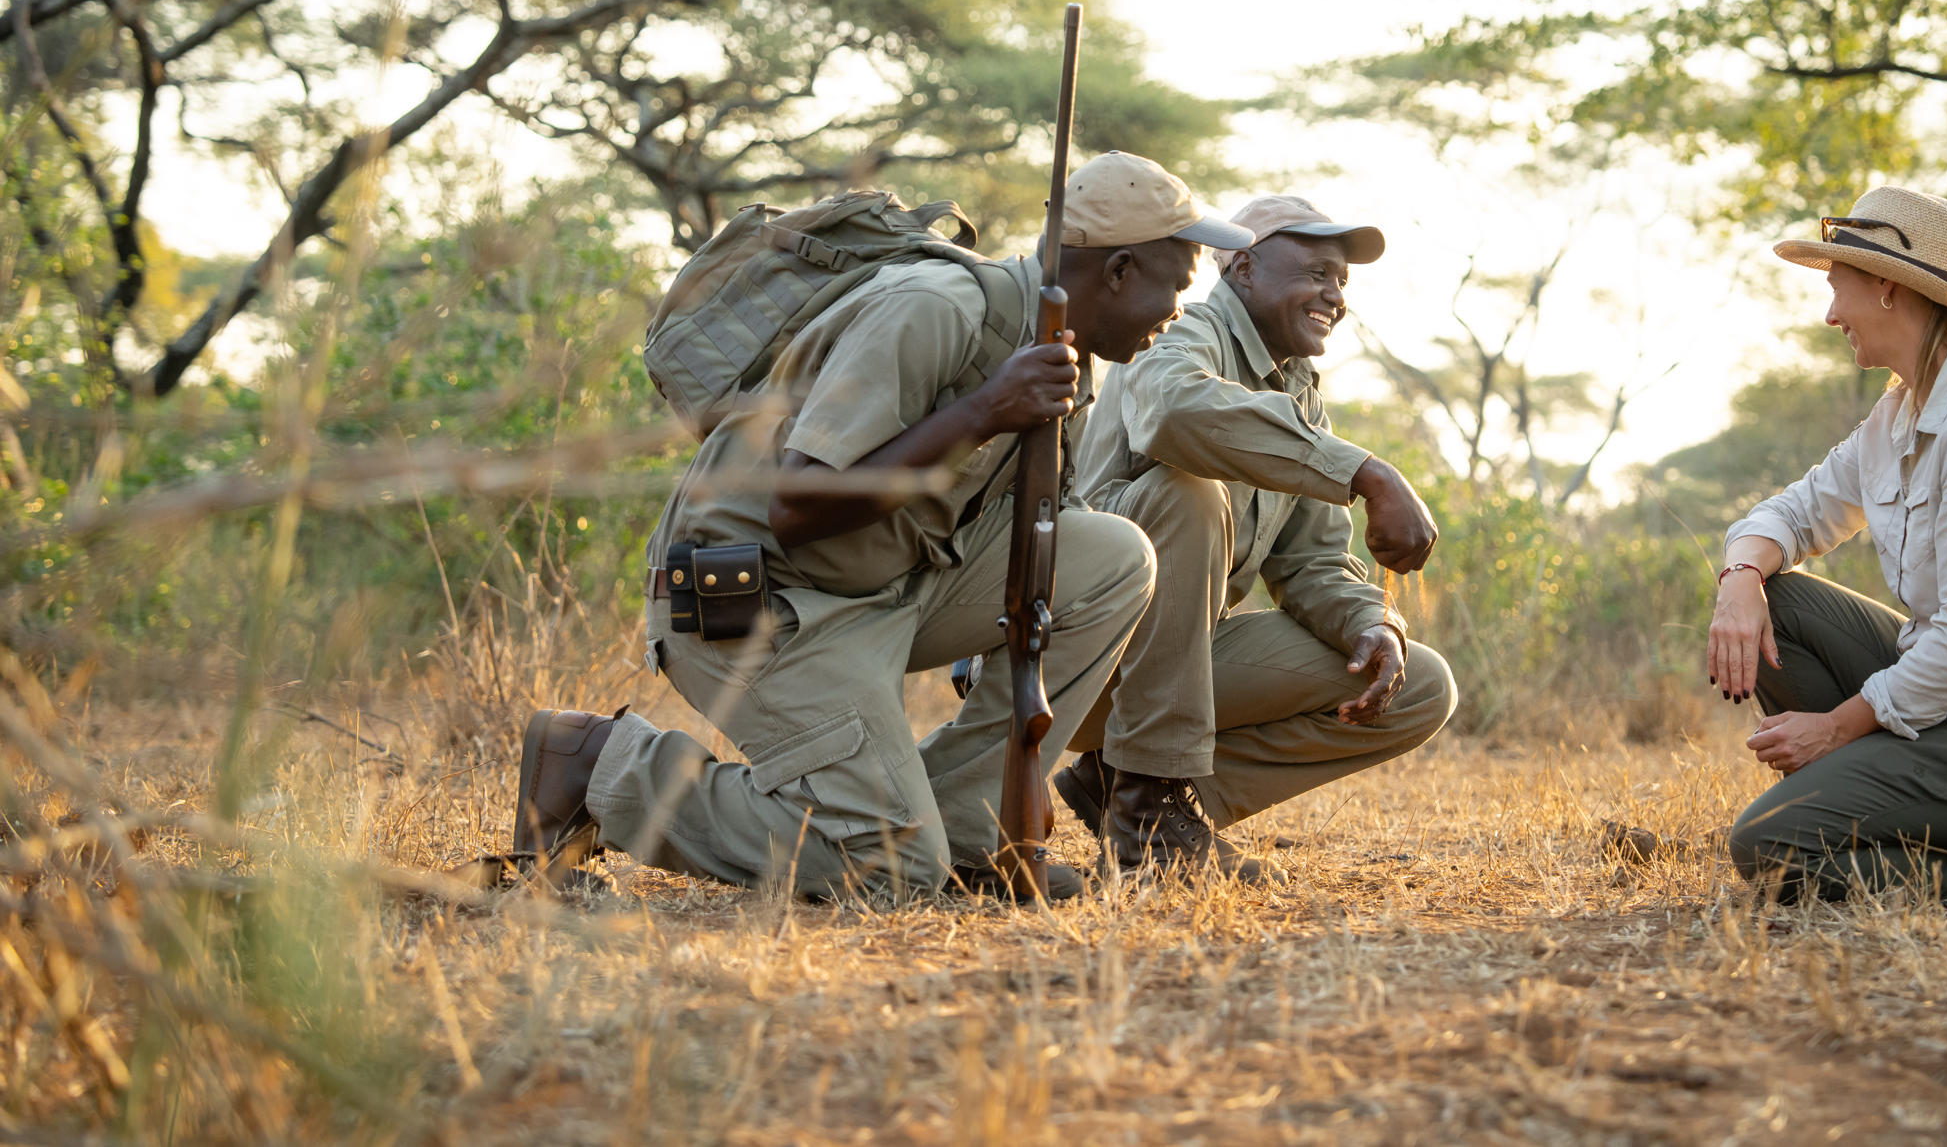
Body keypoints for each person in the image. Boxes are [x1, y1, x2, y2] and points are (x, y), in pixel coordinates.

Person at [509, 151, 1254, 901]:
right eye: (1179, 285)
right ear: (1120, 271)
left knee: (1115, 556)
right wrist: (987, 409)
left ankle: (968, 834)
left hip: (881, 584)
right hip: (748, 596)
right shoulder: (935, 306)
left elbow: (1029, 523)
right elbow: (799, 507)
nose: (1179, 312)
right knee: (889, 869)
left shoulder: (1061, 352)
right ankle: (602, 767)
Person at [1056, 194, 1458, 883]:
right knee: (1188, 490)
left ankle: (1137, 795)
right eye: (1317, 273)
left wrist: (1373, 623)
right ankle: (1146, 812)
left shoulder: (1299, 389)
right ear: (1243, 268)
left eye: (1341, 281)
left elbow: (1314, 562)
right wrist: (1365, 471)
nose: (1334, 294)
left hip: (1167, 669)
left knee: (1419, 683)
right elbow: (1174, 411)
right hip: (1073, 654)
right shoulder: (1180, 330)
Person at [1710, 186, 1947, 905]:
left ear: (1888, 288)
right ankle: (1870, 806)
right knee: (1779, 594)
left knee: (1766, 847)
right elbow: (1795, 512)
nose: (1830, 313)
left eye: (1838, 288)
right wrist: (1740, 577)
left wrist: (1837, 730)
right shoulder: (1897, 413)